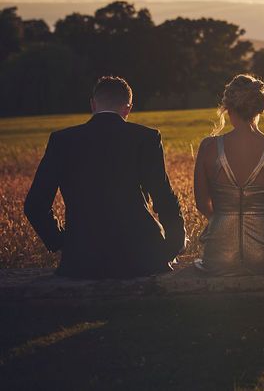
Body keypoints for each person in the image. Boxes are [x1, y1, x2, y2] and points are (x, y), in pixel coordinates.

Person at [23, 76, 186, 279]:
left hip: (81, 261)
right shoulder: (146, 138)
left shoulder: (62, 140)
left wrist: (63, 242)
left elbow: (35, 205)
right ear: (128, 108)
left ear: (92, 104)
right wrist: (172, 245)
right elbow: (164, 197)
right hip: (142, 258)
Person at [193, 75, 264, 275]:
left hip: (219, 255)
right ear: (259, 110)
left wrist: (224, 222)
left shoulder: (209, 147)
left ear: (227, 109)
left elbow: (202, 204)